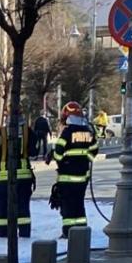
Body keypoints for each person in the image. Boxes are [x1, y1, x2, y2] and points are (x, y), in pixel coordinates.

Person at [51, 101, 99, 239]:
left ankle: (68, 232)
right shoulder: (88, 132)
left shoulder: (67, 132)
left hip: (67, 177)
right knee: (79, 204)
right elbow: (94, 151)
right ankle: (81, 230)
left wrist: (64, 160)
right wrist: (84, 159)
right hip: (82, 177)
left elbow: (58, 153)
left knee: (68, 206)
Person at [0, 109, 35, 238]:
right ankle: (24, 233)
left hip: (4, 177)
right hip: (24, 177)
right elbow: (34, 151)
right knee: (23, 207)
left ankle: (2, 233)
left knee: (3, 208)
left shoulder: (1, 133)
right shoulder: (28, 132)